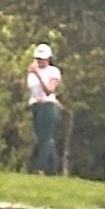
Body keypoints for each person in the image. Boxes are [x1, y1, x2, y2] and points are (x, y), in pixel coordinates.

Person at [27, 44, 66, 176]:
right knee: (43, 138)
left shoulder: (53, 71)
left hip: (47, 105)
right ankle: (53, 169)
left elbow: (49, 90)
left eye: (42, 59)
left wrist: (38, 74)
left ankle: (42, 168)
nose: (40, 61)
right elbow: (31, 90)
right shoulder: (31, 72)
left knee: (45, 137)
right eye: (38, 58)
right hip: (36, 106)